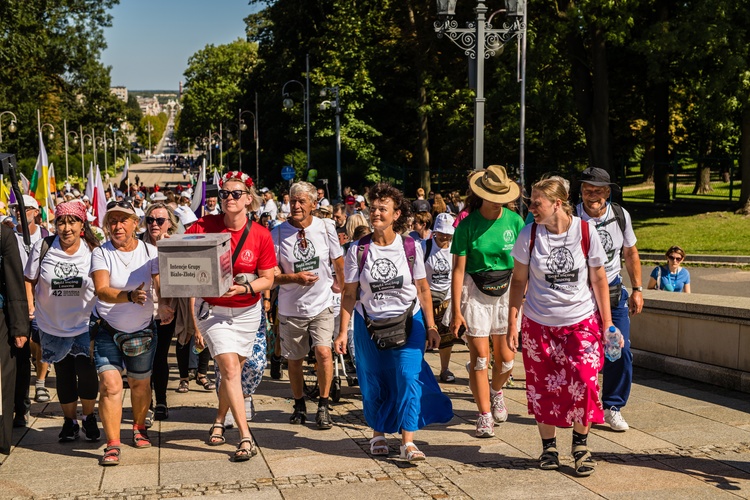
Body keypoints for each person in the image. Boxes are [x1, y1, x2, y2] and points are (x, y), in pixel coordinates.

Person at [334, 182, 452, 462]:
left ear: (396, 214)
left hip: (410, 322)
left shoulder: (410, 246)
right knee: (374, 381)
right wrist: (342, 331)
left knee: (408, 377)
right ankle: (378, 432)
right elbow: (350, 293)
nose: (376, 213)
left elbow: (423, 289)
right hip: (369, 325)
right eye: (373, 208)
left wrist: (432, 326)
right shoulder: (358, 250)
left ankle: (408, 441)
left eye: (382, 209)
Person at [507, 177, 614, 477]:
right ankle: (549, 448)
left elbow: (599, 280)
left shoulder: (585, 230)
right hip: (538, 325)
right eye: (530, 203)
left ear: (557, 203)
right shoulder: (529, 234)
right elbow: (518, 282)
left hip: (581, 321)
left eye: (536, 203)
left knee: (585, 380)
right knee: (542, 387)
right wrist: (512, 322)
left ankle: (581, 445)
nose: (531, 208)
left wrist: (607, 323)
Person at [187, 171, 276, 462]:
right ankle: (245, 436)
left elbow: (268, 279)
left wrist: (245, 287)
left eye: (236, 193)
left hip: (247, 312)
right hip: (213, 311)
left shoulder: (261, 235)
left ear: (249, 200)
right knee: (229, 370)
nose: (228, 198)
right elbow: (182, 260)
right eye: (225, 193)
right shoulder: (202, 226)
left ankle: (218, 418)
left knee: (231, 374)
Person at [91, 200, 174, 466]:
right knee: (111, 386)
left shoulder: (150, 251)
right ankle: (112, 444)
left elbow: (160, 284)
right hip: (107, 329)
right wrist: (129, 296)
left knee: (140, 385)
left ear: (134, 224)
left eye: (123, 220)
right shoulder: (101, 253)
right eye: (112, 221)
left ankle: (139, 427)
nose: (117, 226)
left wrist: (162, 304)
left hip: (142, 331)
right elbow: (102, 290)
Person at [446, 165, 524, 438]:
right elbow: (458, 271)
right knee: (480, 358)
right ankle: (484, 414)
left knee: (506, 361)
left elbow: (525, 263)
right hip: (476, 291)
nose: (498, 199)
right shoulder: (467, 225)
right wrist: (456, 311)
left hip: (506, 292)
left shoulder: (515, 222)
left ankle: (496, 391)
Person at [24, 201, 100, 442]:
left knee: (87, 373)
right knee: (65, 374)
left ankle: (88, 418)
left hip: (84, 324)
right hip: (52, 325)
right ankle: (70, 422)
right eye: (61, 222)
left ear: (82, 224)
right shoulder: (43, 247)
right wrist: (30, 305)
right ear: (55, 224)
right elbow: (29, 279)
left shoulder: (92, 249)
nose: (66, 228)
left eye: (72, 222)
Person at [575, 167, 643, 432]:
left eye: (598, 191)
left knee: (619, 351)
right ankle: (584, 404)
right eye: (586, 190)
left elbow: (630, 253)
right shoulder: (571, 217)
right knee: (583, 354)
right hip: (582, 295)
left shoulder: (620, 215)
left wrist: (637, 288)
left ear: (607, 192)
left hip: (614, 294)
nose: (592, 195)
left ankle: (613, 406)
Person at [272, 182, 344, 429]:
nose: (296, 206)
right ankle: (299, 402)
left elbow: (338, 259)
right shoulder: (278, 233)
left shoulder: (326, 227)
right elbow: (271, 276)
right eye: (292, 201)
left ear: (314, 204)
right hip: (291, 307)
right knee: (295, 359)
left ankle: (324, 405)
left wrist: (341, 286)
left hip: (322, 302)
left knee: (324, 352)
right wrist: (293, 278)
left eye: (302, 201)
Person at [12, 195, 51, 426]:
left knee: (43, 343)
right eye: (16, 208)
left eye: (25, 208)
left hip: (42, 301)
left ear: (36, 212)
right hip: (18, 301)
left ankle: (41, 382)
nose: (19, 212)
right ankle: (22, 403)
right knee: (22, 349)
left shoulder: (46, 237)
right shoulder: (8, 233)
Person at [0, 217, 29, 456]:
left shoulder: (3, 235)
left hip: (0, 316)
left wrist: (19, 327)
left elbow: (14, 281)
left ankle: (1, 435)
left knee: (2, 377)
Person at [423, 213, 458, 383]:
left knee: (446, 336)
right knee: (421, 335)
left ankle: (445, 369)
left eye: (448, 233)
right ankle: (419, 368)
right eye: (441, 232)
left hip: (448, 297)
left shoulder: (456, 248)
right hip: (427, 298)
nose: (444, 236)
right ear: (435, 231)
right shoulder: (425, 247)